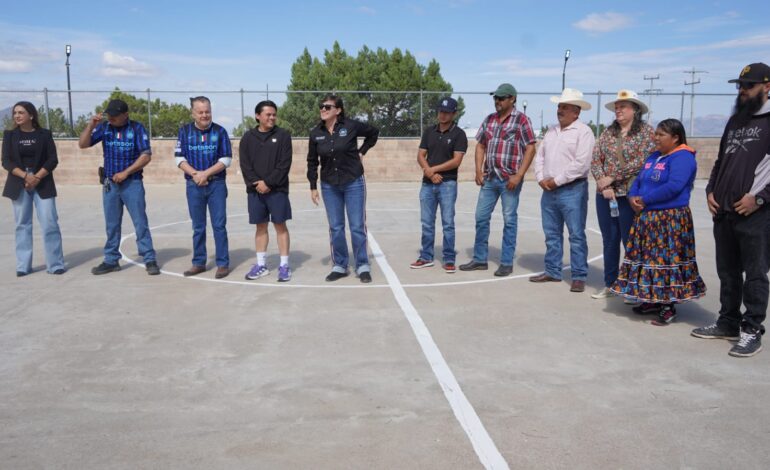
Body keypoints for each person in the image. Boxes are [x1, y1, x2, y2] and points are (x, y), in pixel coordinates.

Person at [692, 62, 770, 357]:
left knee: (755, 274)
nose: (742, 90)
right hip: (724, 210)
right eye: (740, 85)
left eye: (749, 85)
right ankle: (728, 322)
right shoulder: (736, 120)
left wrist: (759, 199)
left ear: (767, 87)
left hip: (755, 214)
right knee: (728, 272)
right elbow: (720, 162)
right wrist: (711, 191)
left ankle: (752, 330)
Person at [610, 119, 706, 325]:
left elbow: (674, 186)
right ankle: (652, 299)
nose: (656, 138)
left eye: (661, 135)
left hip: (669, 219)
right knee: (649, 260)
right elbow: (639, 180)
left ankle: (667, 306)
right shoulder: (655, 156)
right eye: (656, 134)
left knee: (666, 261)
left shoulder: (683, 157)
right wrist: (632, 197)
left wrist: (645, 200)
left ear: (675, 137)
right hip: (647, 217)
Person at [459, 83, 537, 277]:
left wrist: (519, 175)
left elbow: (530, 147)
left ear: (512, 99)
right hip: (489, 179)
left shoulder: (522, 120)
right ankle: (480, 259)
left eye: (501, 98)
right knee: (481, 217)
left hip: (509, 181)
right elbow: (480, 145)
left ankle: (506, 262)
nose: (497, 101)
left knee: (509, 220)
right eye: (496, 98)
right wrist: (478, 170)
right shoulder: (490, 120)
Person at [78, 99, 160, 276]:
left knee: (140, 222)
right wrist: (90, 126)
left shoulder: (137, 129)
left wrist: (126, 172)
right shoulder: (104, 127)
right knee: (112, 224)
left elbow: (146, 155)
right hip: (110, 185)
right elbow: (83, 144)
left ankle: (149, 258)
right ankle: (111, 260)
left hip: (132, 183)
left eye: (115, 115)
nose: (111, 118)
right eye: (109, 115)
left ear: (125, 115)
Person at [590, 90, 656, 299]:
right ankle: (611, 284)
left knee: (631, 241)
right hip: (606, 196)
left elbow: (642, 160)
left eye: (623, 107)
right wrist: (603, 184)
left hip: (630, 195)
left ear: (635, 110)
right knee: (609, 240)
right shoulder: (608, 132)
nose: (618, 110)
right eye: (617, 107)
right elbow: (596, 159)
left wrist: (612, 177)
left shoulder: (646, 132)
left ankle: (633, 287)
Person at [307, 94, 379, 283]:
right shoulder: (315, 133)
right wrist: (313, 186)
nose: (323, 109)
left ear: (338, 110)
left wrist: (362, 151)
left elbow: (374, 132)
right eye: (321, 106)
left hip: (353, 181)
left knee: (357, 226)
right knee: (336, 227)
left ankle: (362, 265)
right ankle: (340, 265)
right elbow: (312, 161)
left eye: (327, 107)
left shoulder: (351, 126)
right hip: (329, 185)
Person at [530, 89, 595, 292]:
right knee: (551, 234)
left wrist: (556, 181)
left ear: (576, 111)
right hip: (548, 190)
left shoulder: (584, 132)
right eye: (559, 106)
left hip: (573, 189)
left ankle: (579, 276)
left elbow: (581, 164)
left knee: (576, 235)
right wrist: (541, 178)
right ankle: (552, 271)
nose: (560, 110)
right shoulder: (551, 131)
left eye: (565, 107)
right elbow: (540, 157)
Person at [2, 101, 65, 276]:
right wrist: (25, 176)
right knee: (22, 224)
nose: (17, 115)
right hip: (19, 183)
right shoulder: (10, 135)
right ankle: (23, 266)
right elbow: (6, 161)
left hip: (42, 182)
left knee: (50, 223)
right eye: (15, 113)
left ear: (31, 115)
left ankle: (55, 264)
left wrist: (36, 177)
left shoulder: (44, 134)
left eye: (21, 112)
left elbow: (52, 159)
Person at [175, 96, 232, 279]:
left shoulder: (220, 131)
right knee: (198, 226)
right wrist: (195, 175)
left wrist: (205, 174)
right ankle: (199, 262)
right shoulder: (184, 132)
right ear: (193, 113)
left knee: (219, 225)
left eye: (207, 111)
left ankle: (222, 264)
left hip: (216, 184)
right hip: (193, 185)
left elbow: (226, 159)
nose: (204, 115)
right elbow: (179, 158)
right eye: (200, 112)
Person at [411, 97, 468, 273]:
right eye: (441, 111)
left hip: (447, 184)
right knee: (427, 222)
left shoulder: (459, 134)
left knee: (448, 223)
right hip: (427, 184)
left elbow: (456, 161)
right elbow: (420, 155)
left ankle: (449, 258)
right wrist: (429, 173)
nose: (442, 115)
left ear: (454, 114)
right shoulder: (429, 132)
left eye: (447, 112)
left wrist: (433, 170)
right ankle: (426, 256)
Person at [240, 100, 293, 282]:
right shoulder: (248, 137)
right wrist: (257, 184)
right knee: (260, 226)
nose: (272, 117)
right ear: (258, 116)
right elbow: (245, 165)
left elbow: (284, 164)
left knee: (280, 226)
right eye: (268, 114)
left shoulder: (283, 135)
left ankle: (284, 265)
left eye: (274, 114)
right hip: (256, 191)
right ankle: (261, 265)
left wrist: (268, 183)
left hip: (277, 190)